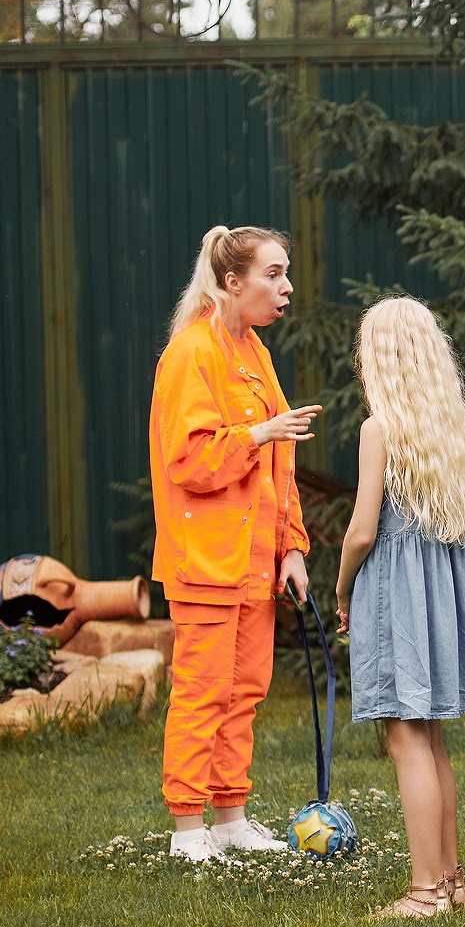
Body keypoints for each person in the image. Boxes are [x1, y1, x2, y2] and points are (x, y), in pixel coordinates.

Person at [149, 225, 319, 863]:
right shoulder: (191, 352)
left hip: (257, 558)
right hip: (206, 558)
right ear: (231, 282)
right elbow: (189, 461)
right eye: (273, 274)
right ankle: (188, 828)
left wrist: (293, 548)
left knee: (245, 688)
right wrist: (258, 431)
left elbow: (280, 464)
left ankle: (230, 818)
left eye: (285, 273)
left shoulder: (254, 350)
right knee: (202, 690)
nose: (286, 287)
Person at [334, 298, 465, 919]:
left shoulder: (378, 429)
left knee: (406, 739)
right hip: (435, 593)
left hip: (395, 594)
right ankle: (452, 881)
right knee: (428, 739)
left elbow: (360, 531)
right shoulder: (447, 432)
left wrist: (344, 585)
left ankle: (426, 890)